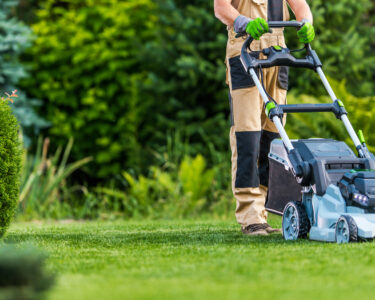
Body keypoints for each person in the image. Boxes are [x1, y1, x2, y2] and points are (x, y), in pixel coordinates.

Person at [214, 0, 315, 236]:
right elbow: (221, 8)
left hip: (277, 54)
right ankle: (250, 215)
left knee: (273, 136)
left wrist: (306, 23)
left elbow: (301, 7)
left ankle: (264, 211)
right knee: (247, 135)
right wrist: (244, 23)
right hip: (244, 50)